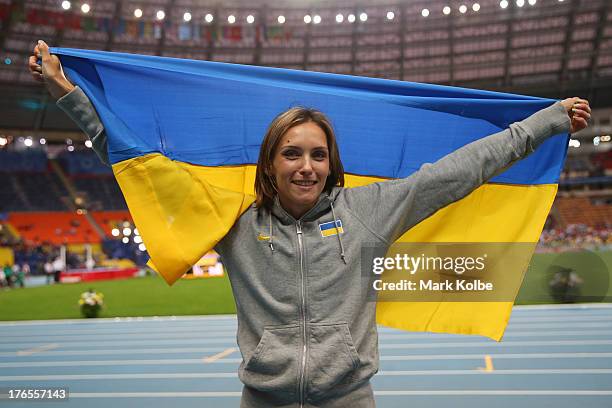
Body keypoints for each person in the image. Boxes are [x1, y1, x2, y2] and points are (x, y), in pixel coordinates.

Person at [29, 40, 591, 407]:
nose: (306, 166)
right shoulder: (235, 221)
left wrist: (544, 121)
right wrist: (67, 93)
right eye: (292, 153)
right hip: (262, 400)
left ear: (332, 162)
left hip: (350, 398)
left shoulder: (368, 212)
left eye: (318, 154)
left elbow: (462, 170)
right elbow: (133, 161)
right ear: (271, 162)